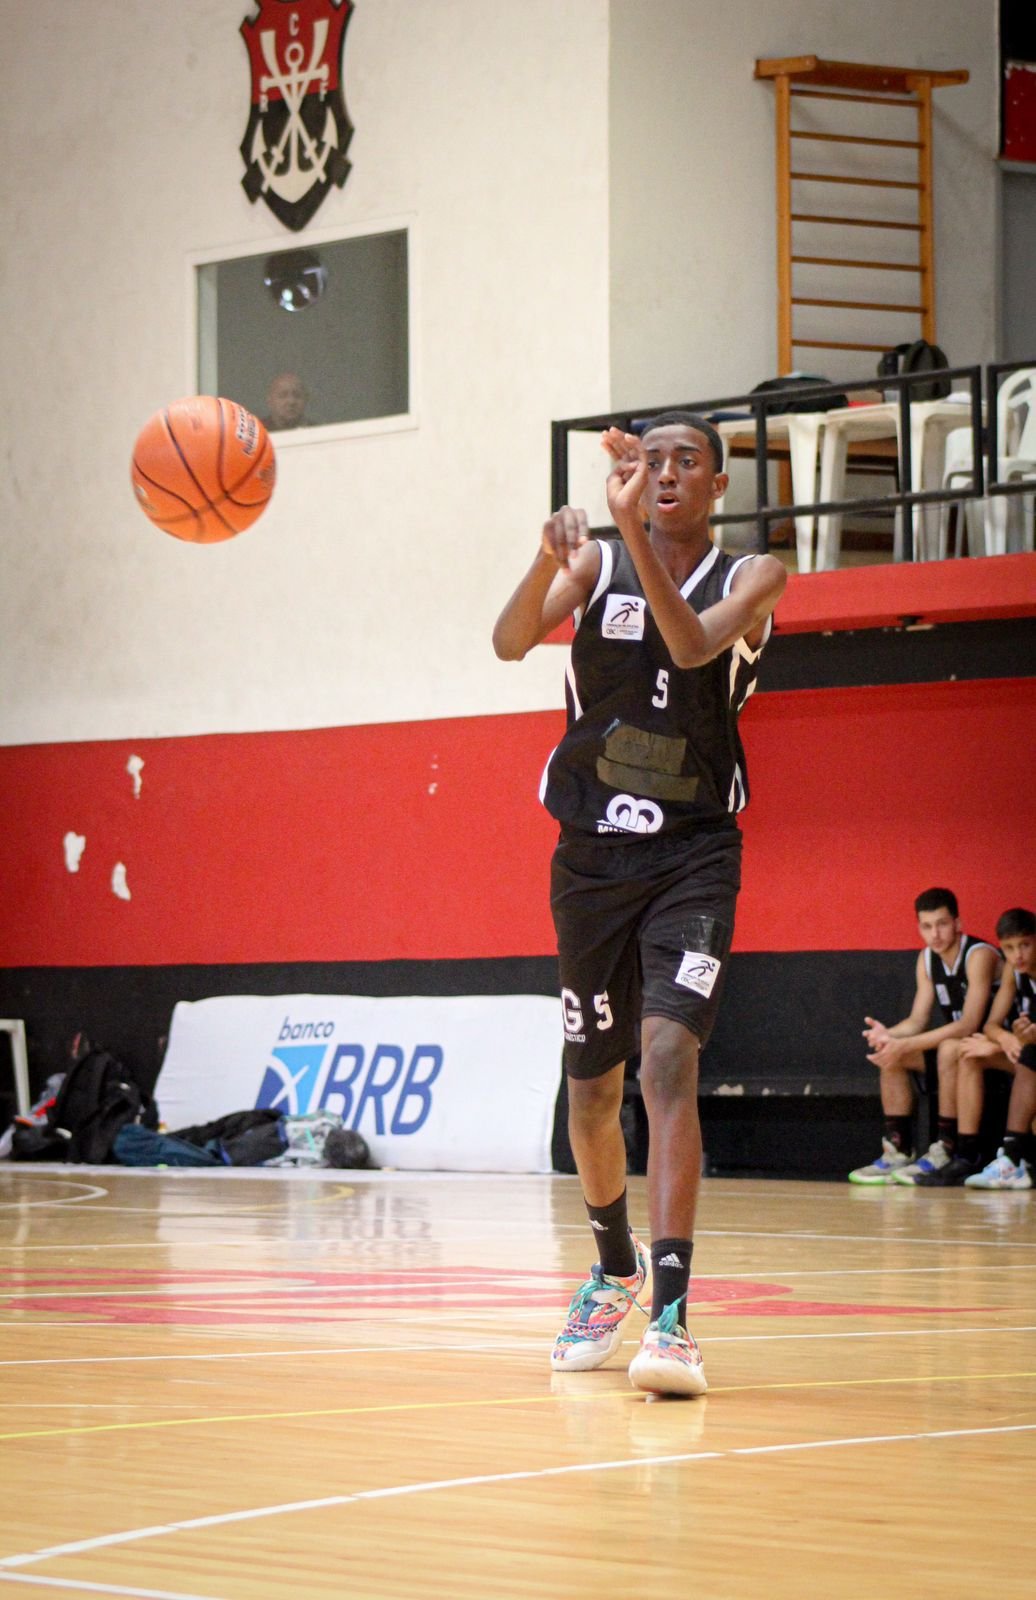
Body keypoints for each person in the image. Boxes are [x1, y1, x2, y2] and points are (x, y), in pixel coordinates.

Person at [492, 412, 786, 1396]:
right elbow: (504, 642)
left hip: (692, 852)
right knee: (591, 1088)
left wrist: (633, 537)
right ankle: (611, 1266)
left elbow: (693, 646)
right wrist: (547, 562)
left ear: (717, 485)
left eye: (684, 462)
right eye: (649, 458)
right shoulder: (598, 566)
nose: (664, 472)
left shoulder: (755, 575)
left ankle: (669, 1315)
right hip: (590, 859)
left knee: (668, 1055)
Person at [848, 889, 999, 1185]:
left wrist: (907, 1042)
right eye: (927, 926)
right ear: (919, 927)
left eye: (942, 924)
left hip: (990, 1048)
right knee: (891, 1054)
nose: (935, 934)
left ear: (958, 923)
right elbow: (917, 1020)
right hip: (956, 1051)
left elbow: (968, 1024)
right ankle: (898, 1150)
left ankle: (945, 1147)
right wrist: (889, 1036)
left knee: (948, 1047)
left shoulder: (979, 955)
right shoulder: (926, 959)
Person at [914, 907, 1035, 1189]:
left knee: (1026, 1054)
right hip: (1023, 1052)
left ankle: (1013, 1157)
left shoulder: (978, 955)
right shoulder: (1012, 972)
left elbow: (972, 1023)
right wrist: (1004, 1039)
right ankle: (966, 1154)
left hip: (1030, 1055)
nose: (1017, 955)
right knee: (968, 1054)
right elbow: (992, 1024)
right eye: (1009, 948)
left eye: (1025, 945)